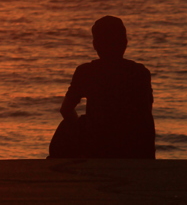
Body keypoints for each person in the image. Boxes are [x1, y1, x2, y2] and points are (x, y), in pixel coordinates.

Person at [50, 16, 155, 159]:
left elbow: (66, 110)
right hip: (137, 147)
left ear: (95, 44)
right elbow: (145, 113)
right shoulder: (141, 73)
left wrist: (82, 128)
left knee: (66, 127)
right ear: (125, 42)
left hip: (100, 146)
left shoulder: (87, 72)